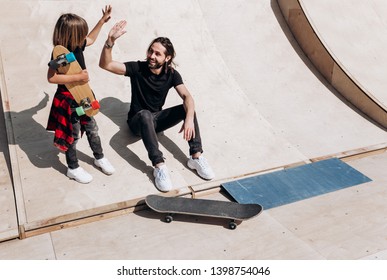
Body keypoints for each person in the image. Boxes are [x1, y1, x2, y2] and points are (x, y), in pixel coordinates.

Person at [99, 20, 215, 192]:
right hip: (137, 123)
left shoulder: (172, 74)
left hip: (156, 122)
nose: (152, 56)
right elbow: (106, 65)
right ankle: (159, 166)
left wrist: (189, 118)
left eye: (157, 54)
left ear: (167, 58)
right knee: (145, 114)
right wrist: (110, 42)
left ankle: (196, 157)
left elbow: (187, 97)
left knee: (187, 107)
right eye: (151, 51)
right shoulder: (137, 68)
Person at [46, 6, 115, 184]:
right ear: (70, 35)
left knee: (92, 126)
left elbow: (91, 39)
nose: (83, 37)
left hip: (83, 97)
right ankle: (73, 167)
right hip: (69, 102)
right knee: (73, 134)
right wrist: (79, 76)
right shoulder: (63, 55)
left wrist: (102, 21)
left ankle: (99, 157)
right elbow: (51, 77)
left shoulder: (77, 46)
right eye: (80, 33)